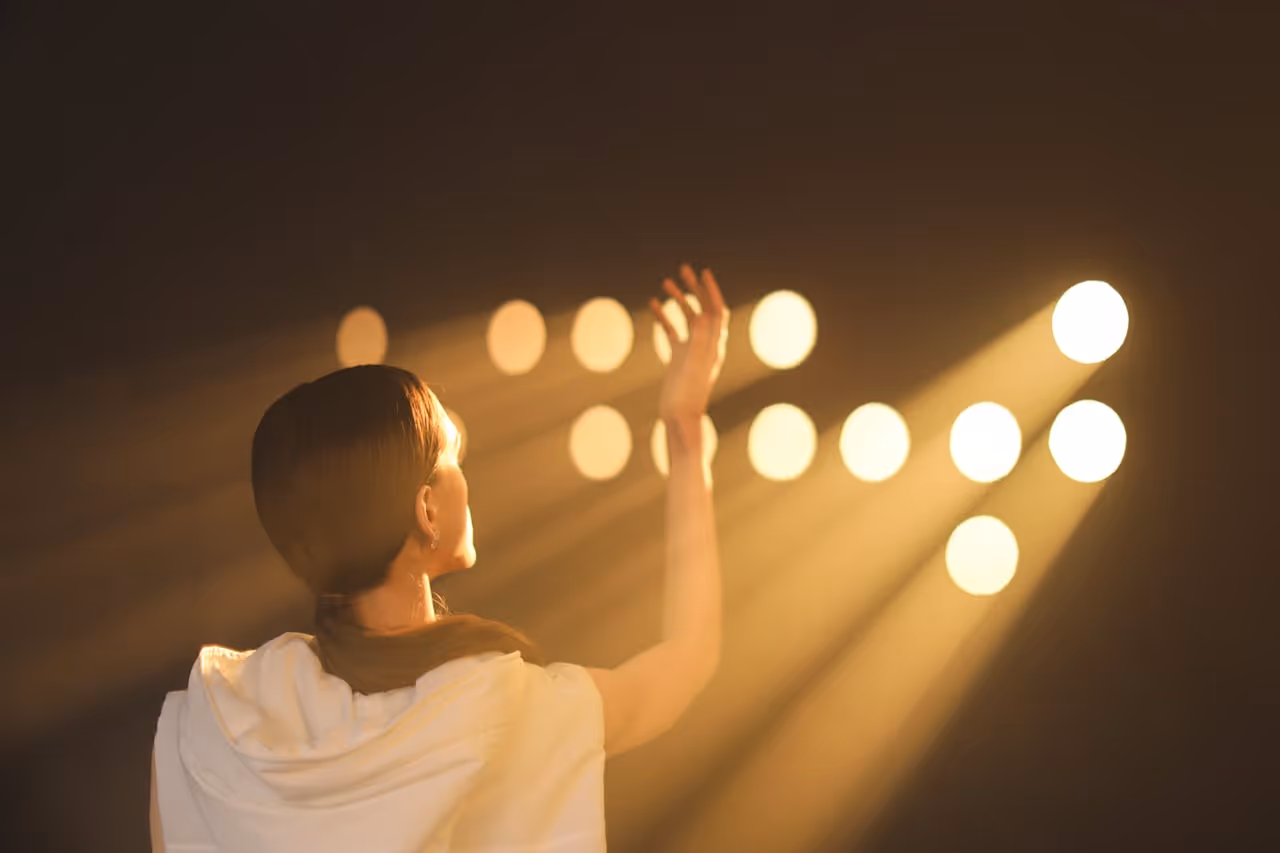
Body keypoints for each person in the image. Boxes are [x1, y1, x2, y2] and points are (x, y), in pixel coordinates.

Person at [150, 265, 728, 852]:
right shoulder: (501, 708)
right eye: (453, 457)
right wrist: (685, 431)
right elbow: (687, 660)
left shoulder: (214, 720)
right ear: (426, 508)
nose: (465, 477)